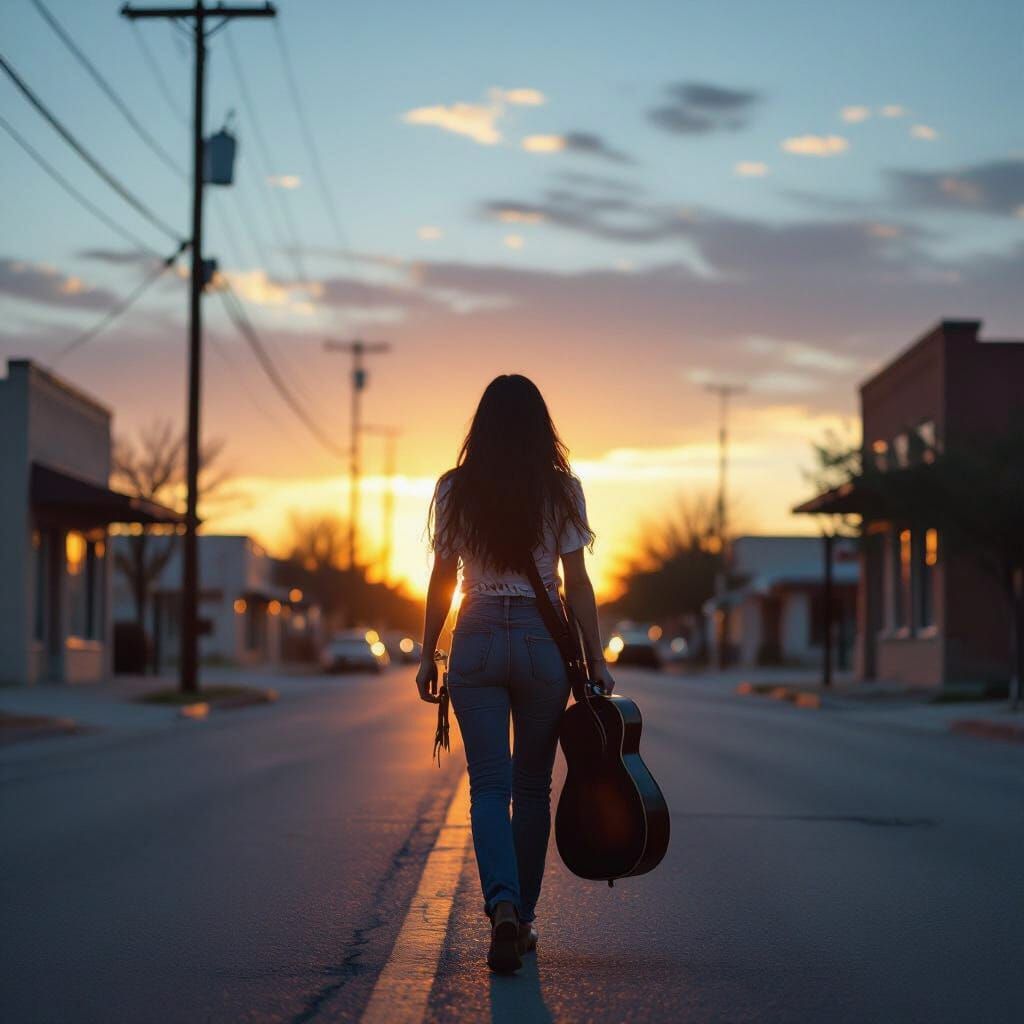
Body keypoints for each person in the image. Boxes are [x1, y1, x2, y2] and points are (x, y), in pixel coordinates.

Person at [415, 374, 615, 974]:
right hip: (539, 641)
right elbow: (576, 582)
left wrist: (429, 652)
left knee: (489, 788)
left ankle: (500, 905)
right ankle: (521, 920)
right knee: (532, 788)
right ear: (540, 427)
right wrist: (597, 657)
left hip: (474, 638)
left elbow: (443, 578)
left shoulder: (456, 489)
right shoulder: (562, 491)